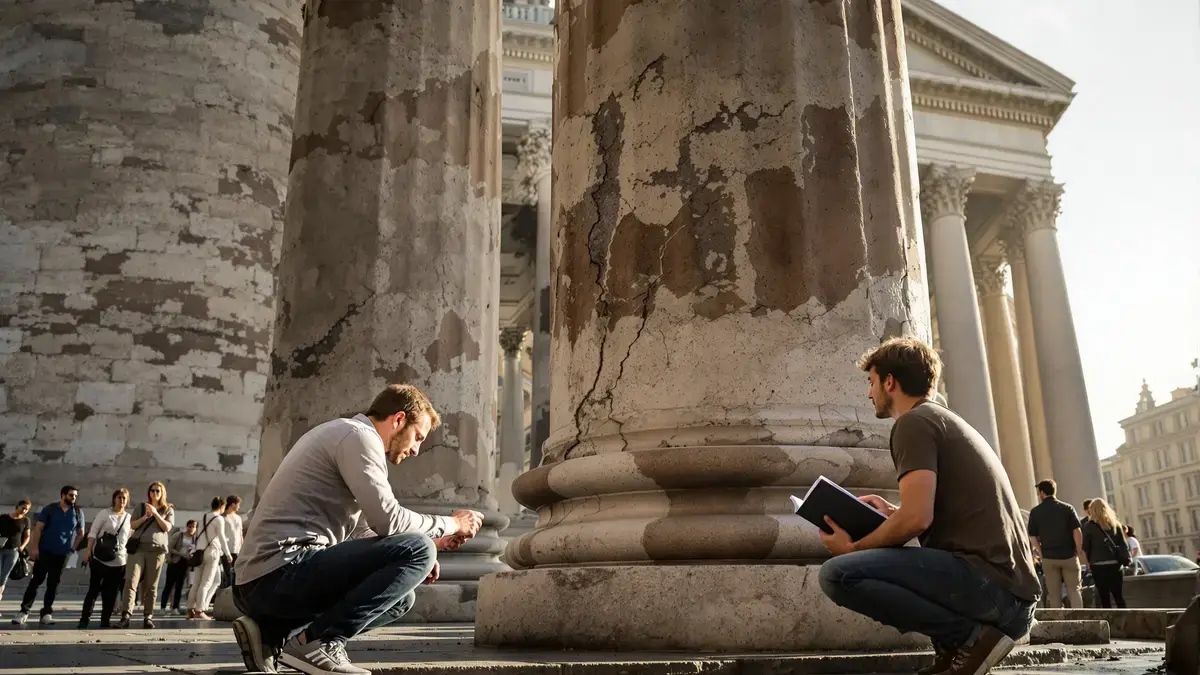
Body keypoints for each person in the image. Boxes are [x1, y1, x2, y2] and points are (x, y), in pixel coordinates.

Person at [818, 338, 1039, 675]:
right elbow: (929, 510)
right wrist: (893, 512)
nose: (869, 393)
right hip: (1009, 593)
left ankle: (971, 639)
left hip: (993, 591)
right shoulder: (943, 420)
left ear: (889, 382)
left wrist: (852, 548)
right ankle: (957, 651)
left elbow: (918, 518)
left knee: (838, 574)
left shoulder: (913, 423)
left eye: (871, 382)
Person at [231, 384, 484, 675]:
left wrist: (434, 545)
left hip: (265, 581)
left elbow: (363, 532)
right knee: (418, 549)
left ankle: (272, 631)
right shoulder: (359, 438)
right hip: (277, 575)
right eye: (418, 437)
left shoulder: (346, 436)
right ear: (398, 419)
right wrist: (452, 523)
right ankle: (318, 642)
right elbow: (388, 520)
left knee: (402, 598)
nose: (416, 450)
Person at [14, 486, 86, 625]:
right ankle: (24, 611)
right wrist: (34, 548)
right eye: (71, 495)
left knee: (53, 584)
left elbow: (81, 533)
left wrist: (73, 548)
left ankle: (46, 613)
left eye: (76, 496)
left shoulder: (77, 512)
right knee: (35, 582)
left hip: (62, 554)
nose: (74, 498)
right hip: (45, 551)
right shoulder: (50, 509)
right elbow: (38, 529)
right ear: (63, 495)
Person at [117, 481, 175, 629]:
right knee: (131, 581)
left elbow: (167, 527)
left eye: (158, 491)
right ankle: (126, 616)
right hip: (138, 550)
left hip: (156, 551)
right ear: (149, 492)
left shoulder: (168, 509)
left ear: (162, 493)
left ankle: (148, 616)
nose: (155, 493)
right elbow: (132, 525)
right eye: (152, 490)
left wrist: (155, 514)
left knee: (152, 585)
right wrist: (145, 517)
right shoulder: (141, 507)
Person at [79, 488, 132, 628]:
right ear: (114, 498)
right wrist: (88, 551)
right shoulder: (105, 513)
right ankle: (85, 618)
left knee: (111, 593)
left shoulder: (128, 518)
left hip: (119, 560)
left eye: (124, 498)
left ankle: (105, 619)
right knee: (94, 590)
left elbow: (129, 538)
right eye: (119, 497)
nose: (121, 501)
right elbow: (93, 533)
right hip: (100, 559)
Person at [1027, 479, 1084, 609]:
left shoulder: (1036, 512)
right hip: (1069, 555)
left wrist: (1041, 552)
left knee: (1054, 594)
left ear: (1042, 492)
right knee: (1074, 590)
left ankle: (1058, 622)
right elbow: (1077, 531)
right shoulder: (1067, 508)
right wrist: (1078, 550)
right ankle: (1080, 619)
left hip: (1049, 557)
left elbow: (1033, 536)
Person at [187, 496, 233, 620]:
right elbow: (222, 537)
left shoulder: (203, 517)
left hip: (200, 552)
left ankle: (190, 609)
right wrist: (228, 554)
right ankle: (199, 611)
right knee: (206, 582)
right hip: (212, 552)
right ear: (222, 506)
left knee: (196, 582)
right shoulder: (219, 519)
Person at [1081, 499, 1129, 608]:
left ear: (1091, 511)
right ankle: (1125, 621)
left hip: (1098, 565)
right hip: (1115, 564)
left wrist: (1089, 560)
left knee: (1104, 597)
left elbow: (1085, 547)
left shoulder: (1089, 526)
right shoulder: (1115, 525)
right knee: (1118, 596)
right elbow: (1123, 544)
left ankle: (1109, 622)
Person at [0, 499, 33, 617]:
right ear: (17, 506)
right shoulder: (3, 518)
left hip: (13, 551)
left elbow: (27, 536)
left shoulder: (25, 521)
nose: (24, 510)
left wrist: (22, 547)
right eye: (22, 507)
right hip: (0, 549)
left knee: (3, 577)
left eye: (26, 509)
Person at [161, 520, 197, 616]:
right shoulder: (179, 535)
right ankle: (163, 607)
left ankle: (175, 607)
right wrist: (180, 554)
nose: (191, 528)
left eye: (193, 527)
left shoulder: (195, 539)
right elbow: (170, 548)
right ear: (186, 526)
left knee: (179, 586)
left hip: (185, 564)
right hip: (175, 561)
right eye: (190, 526)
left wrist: (191, 556)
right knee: (169, 584)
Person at [221, 495, 244, 588]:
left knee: (236, 576)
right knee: (229, 575)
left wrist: (243, 548)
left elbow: (240, 534)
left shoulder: (238, 518)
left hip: (237, 550)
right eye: (238, 504)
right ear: (233, 504)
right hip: (226, 550)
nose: (239, 507)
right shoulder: (222, 517)